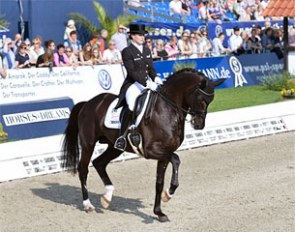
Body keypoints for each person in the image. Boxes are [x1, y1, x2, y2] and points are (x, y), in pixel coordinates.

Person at [114, 24, 163, 151]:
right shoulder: (127, 51)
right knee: (131, 105)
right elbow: (132, 72)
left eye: (143, 35)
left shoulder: (146, 50)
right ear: (132, 36)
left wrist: (156, 78)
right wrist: (146, 84)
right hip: (133, 84)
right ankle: (123, 136)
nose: (142, 37)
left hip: (147, 82)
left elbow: (151, 68)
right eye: (140, 35)